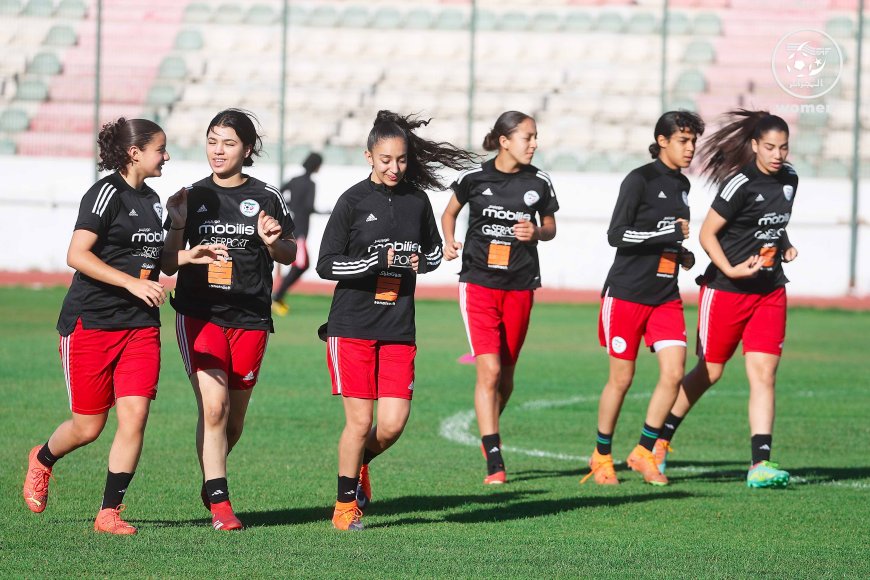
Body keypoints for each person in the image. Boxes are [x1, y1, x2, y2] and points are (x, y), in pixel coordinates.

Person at [22, 118, 224, 534]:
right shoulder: (104, 194)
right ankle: (42, 458)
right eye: (160, 149)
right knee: (88, 426)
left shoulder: (153, 201)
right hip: (92, 324)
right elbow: (77, 254)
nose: (166, 156)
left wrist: (188, 253)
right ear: (135, 152)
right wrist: (133, 284)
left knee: (135, 417)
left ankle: (109, 512)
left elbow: (158, 260)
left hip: (141, 327)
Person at [317, 110, 476, 531]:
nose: (394, 167)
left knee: (391, 425)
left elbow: (430, 255)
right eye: (385, 159)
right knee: (361, 421)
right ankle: (344, 507)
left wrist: (426, 258)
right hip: (351, 326)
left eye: (401, 160)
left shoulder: (416, 200)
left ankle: (358, 466)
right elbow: (326, 264)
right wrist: (373, 262)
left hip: (398, 327)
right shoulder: (351, 201)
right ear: (368, 156)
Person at [162, 109, 296, 530]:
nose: (218, 151)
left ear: (248, 148)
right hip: (200, 314)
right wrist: (179, 226)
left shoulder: (268, 196)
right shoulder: (189, 196)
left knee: (232, 421)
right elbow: (166, 261)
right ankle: (221, 504)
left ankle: (211, 476)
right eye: (212, 141)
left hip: (252, 317)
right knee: (214, 409)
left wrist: (274, 243)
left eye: (229, 143)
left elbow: (290, 253)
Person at [654, 110, 798, 488]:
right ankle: (658, 442)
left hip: (769, 290)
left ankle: (759, 465)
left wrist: (784, 245)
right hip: (727, 290)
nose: (777, 154)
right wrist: (731, 270)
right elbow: (708, 235)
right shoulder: (739, 184)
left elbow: (772, 221)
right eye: (769, 147)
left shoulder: (790, 179)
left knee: (764, 375)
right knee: (710, 372)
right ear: (754, 146)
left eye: (783, 147)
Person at [580, 111, 705, 487]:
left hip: (665, 295)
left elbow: (668, 239)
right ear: (662, 140)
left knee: (674, 372)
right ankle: (601, 455)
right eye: (683, 140)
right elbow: (617, 235)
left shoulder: (683, 184)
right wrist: (664, 233)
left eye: (693, 141)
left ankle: (643, 451)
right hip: (627, 294)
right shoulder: (639, 179)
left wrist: (683, 255)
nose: (690, 148)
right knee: (622, 378)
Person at [441, 110, 559, 485]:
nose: (534, 143)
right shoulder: (474, 178)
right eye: (528, 137)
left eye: (536, 136)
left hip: (521, 285)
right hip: (478, 282)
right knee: (488, 370)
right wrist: (449, 241)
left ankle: (488, 426)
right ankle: (494, 456)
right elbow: (449, 213)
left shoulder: (539, 181)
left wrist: (536, 232)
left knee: (505, 379)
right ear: (505, 140)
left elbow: (551, 227)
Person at [272, 152, 324, 316]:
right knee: (301, 265)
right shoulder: (310, 184)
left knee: (303, 264)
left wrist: (290, 204)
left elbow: (278, 194)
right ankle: (277, 297)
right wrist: (321, 212)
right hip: (300, 230)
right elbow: (309, 206)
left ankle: (278, 296)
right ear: (316, 165)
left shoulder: (294, 180)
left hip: (292, 227)